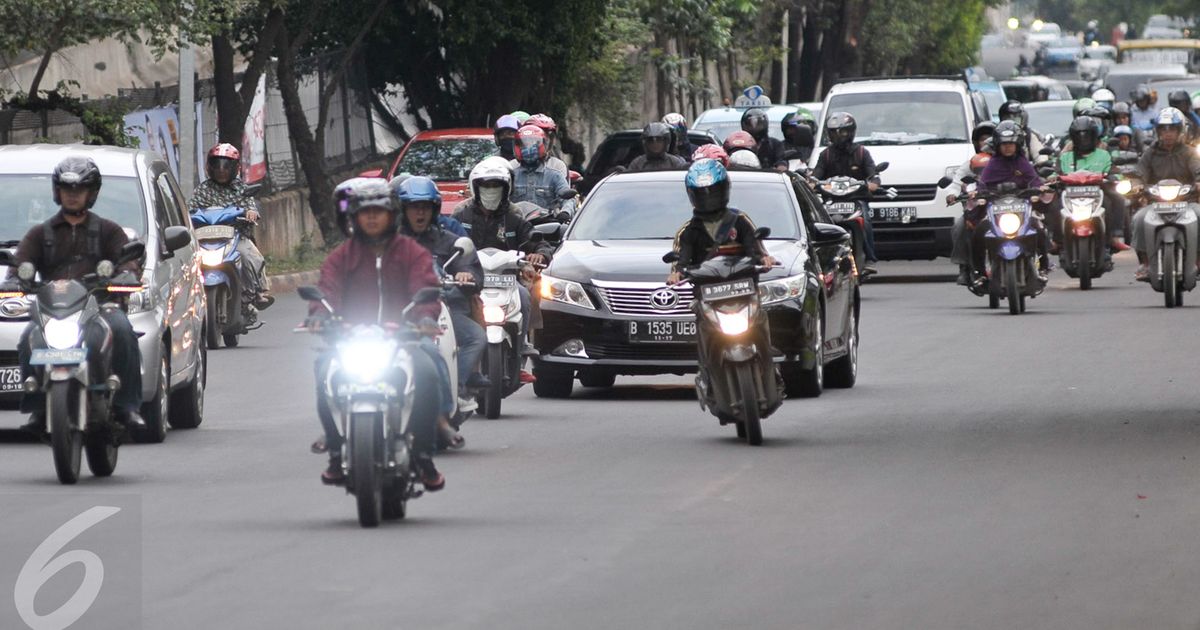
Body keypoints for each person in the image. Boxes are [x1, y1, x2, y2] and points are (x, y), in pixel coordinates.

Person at [306, 178, 447, 488]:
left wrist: (424, 317)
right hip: (350, 340)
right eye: (365, 211)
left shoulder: (411, 252)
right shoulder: (342, 256)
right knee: (323, 370)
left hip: (402, 339)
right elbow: (326, 289)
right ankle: (334, 449)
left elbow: (427, 288)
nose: (371, 217)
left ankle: (423, 454)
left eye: (378, 211)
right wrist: (319, 314)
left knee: (427, 372)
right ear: (354, 216)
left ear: (392, 214)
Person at [13, 157, 146, 433]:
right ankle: (37, 406)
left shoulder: (109, 230)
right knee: (28, 338)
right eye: (66, 188)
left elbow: (128, 260)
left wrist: (126, 274)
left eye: (79, 189)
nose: (72, 195)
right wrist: (15, 280)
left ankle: (126, 406)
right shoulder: (41, 233)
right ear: (57, 191)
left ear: (91, 193)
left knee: (122, 329)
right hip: (55, 310)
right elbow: (19, 265)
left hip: (100, 306)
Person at [665, 159, 781, 397]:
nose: (708, 199)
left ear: (724, 189)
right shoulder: (688, 231)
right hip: (709, 297)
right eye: (701, 194)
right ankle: (706, 370)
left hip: (743, 291)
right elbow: (682, 259)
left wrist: (765, 260)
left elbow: (756, 248)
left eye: (713, 192)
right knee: (700, 320)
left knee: (762, 316)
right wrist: (676, 273)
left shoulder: (740, 220)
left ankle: (771, 365)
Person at [395, 176, 488, 432]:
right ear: (403, 210)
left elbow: (473, 271)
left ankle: (455, 389)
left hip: (442, 309)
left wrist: (466, 276)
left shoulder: (449, 240)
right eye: (414, 206)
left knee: (476, 337)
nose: (420, 212)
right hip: (398, 313)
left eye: (425, 206)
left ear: (435, 208)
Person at [453, 157, 556, 382]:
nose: (491, 191)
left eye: (496, 186)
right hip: (471, 280)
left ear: (506, 188)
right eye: (486, 186)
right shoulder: (462, 215)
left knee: (525, 296)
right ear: (476, 188)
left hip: (508, 280)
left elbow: (536, 242)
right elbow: (447, 242)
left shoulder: (513, 216)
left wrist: (540, 253)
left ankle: (520, 353)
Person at [190, 143, 273, 310]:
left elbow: (250, 205)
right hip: (207, 239)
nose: (221, 170)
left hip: (235, 237)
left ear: (235, 168)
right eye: (217, 165)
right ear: (209, 167)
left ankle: (255, 293)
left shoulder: (241, 188)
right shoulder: (202, 190)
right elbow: (191, 208)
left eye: (226, 166)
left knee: (249, 256)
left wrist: (251, 212)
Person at [972, 121, 1051, 282]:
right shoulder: (992, 165)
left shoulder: (1023, 163)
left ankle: (1043, 266)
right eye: (1004, 144)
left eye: (1011, 144)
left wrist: (1040, 188)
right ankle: (980, 272)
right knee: (979, 232)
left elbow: (1035, 181)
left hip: (1021, 208)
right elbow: (983, 184)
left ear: (1018, 144)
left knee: (1039, 230)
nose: (1008, 147)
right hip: (996, 210)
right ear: (997, 145)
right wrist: (978, 194)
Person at [1130, 108, 1200, 280]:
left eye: (1172, 129)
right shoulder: (1150, 153)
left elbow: (1198, 170)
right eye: (1163, 129)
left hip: (1187, 203)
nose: (1168, 134)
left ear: (1180, 131)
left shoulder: (1189, 152)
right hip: (1156, 204)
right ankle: (1145, 264)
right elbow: (1139, 174)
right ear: (1158, 131)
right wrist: (1137, 185)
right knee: (1139, 219)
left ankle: (1197, 261)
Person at [812, 111, 880, 275]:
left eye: (840, 131)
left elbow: (874, 177)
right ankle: (817, 257)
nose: (837, 136)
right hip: (830, 202)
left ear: (850, 132)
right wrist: (811, 182)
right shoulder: (825, 154)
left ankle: (870, 257)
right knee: (817, 224)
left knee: (866, 221)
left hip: (857, 199)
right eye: (833, 132)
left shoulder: (862, 153)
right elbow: (815, 176)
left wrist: (872, 184)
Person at [1055, 115, 1128, 253]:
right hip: (1070, 194)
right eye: (1079, 136)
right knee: (1054, 203)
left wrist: (1114, 177)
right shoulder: (1065, 157)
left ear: (1095, 136)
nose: (1083, 139)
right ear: (1073, 138)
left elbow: (1115, 171)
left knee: (1117, 199)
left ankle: (1114, 236)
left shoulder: (1104, 154)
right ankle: (1057, 240)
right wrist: (1051, 179)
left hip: (1098, 193)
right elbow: (1055, 173)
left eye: (1087, 136)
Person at [947, 121, 997, 284]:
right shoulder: (972, 163)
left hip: (1003, 208)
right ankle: (964, 267)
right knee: (959, 226)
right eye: (983, 139)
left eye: (990, 137)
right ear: (976, 142)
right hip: (977, 210)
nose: (986, 142)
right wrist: (953, 194)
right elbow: (956, 182)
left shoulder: (1006, 160)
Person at [509, 125, 572, 215]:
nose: (528, 148)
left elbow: (568, 199)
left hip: (547, 224)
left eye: (533, 143)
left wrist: (565, 212)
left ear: (543, 145)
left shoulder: (555, 176)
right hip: (517, 224)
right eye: (524, 144)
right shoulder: (510, 176)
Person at [525, 114, 570, 178]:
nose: (545, 140)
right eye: (537, 135)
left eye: (548, 136)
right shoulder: (513, 165)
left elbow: (563, 187)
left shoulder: (557, 166)